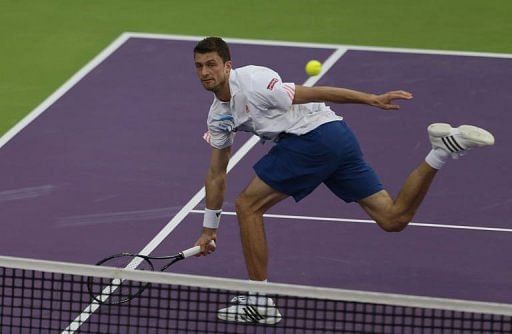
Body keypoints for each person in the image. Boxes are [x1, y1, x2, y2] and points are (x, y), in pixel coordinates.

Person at [192, 37, 495, 324]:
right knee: (393, 218)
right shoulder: (219, 116)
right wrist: (209, 229)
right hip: (338, 138)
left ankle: (260, 303)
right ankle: (440, 152)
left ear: (227, 66)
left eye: (211, 64)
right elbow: (217, 173)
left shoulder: (255, 81)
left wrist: (371, 99)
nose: (205, 72)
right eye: (199, 66)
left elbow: (315, 92)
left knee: (247, 206)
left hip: (313, 138)